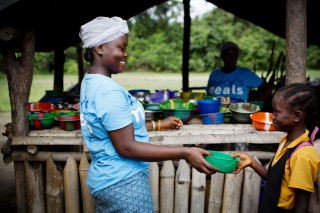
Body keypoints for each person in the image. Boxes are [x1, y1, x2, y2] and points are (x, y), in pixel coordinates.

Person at [78, 16, 218, 212]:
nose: (126, 54)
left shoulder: (91, 82)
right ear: (99, 48)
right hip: (124, 184)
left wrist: (158, 125)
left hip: (107, 179)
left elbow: (117, 129)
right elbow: (126, 147)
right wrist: (186, 152)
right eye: (121, 47)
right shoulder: (108, 92)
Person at [232, 83, 320, 212]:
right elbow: (275, 180)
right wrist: (252, 162)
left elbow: (301, 205)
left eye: (276, 112)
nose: (272, 116)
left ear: (297, 116)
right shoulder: (285, 141)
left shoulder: (303, 155)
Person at [206, 41, 272, 102]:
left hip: (240, 113)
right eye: (228, 55)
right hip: (215, 114)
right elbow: (208, 96)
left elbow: (268, 88)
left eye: (234, 55)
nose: (231, 58)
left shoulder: (246, 74)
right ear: (222, 56)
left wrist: (258, 105)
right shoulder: (214, 75)